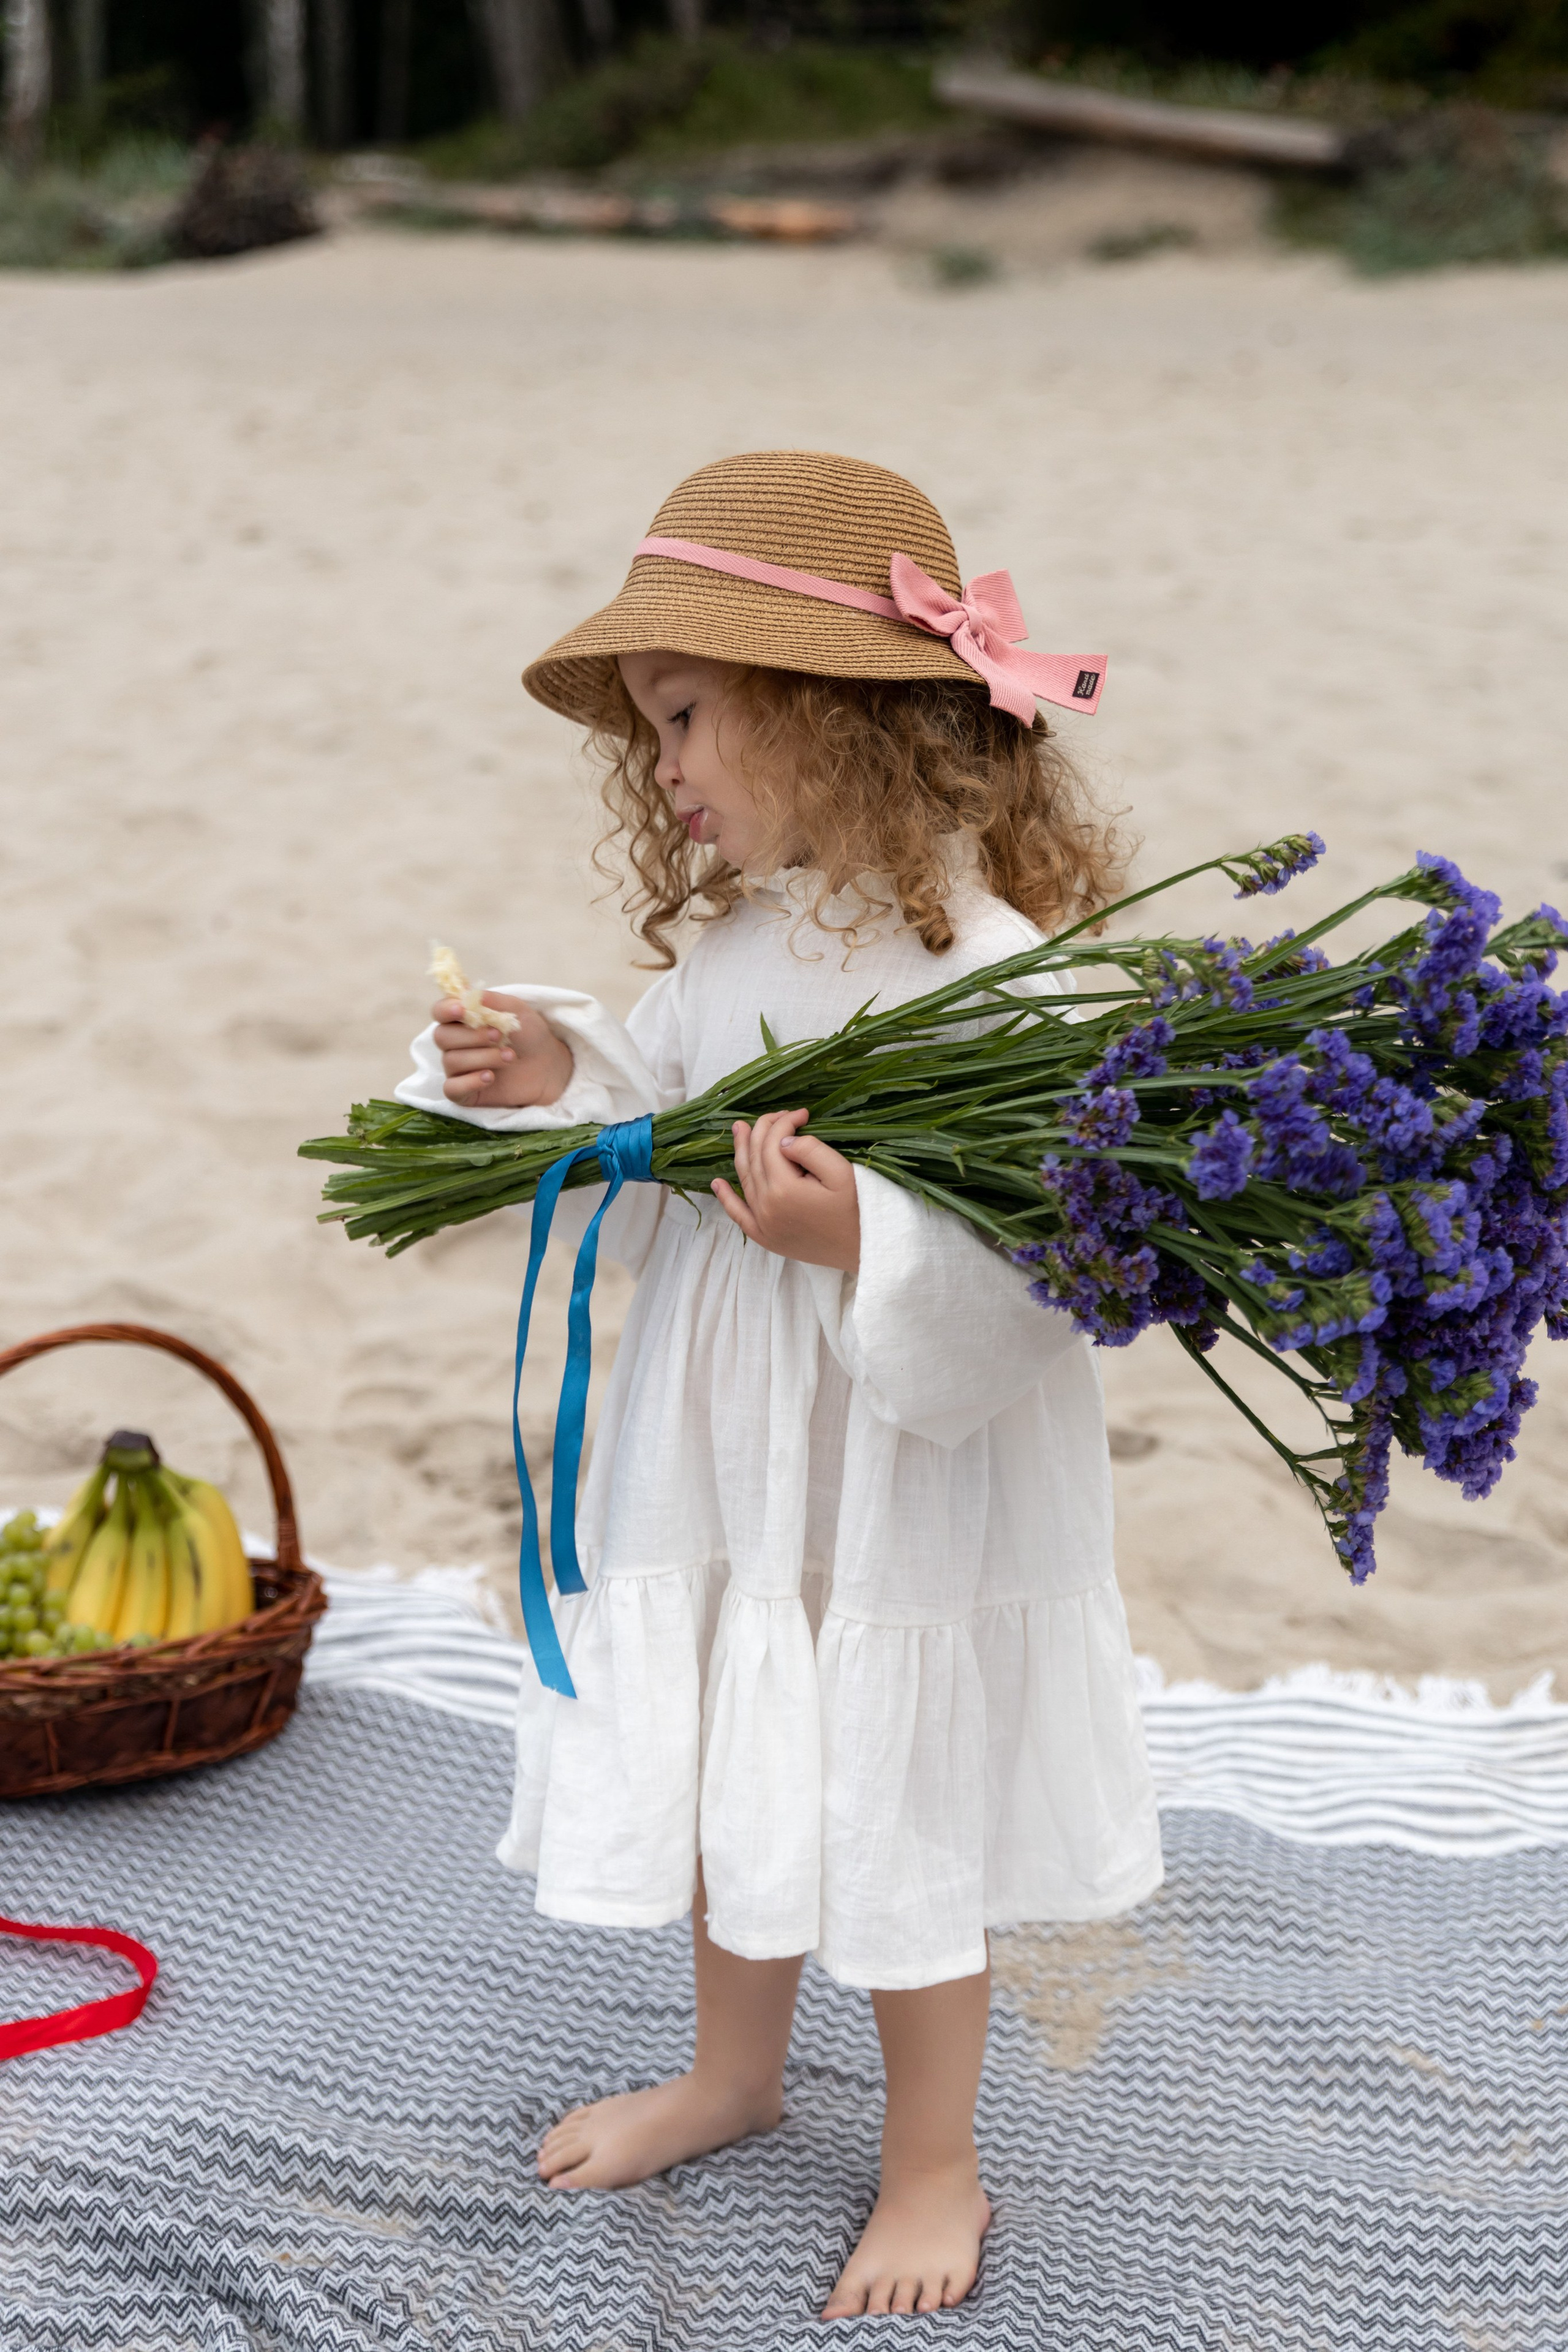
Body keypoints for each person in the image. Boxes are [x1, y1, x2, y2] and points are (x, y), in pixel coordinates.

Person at [396, 450, 1163, 2320]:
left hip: (899, 1454)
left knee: (890, 1776)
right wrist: (546, 1082)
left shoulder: (999, 977)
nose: (661, 771)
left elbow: (1048, 1266)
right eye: (649, 731)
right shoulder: (734, 946)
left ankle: (934, 2161)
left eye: (686, 719)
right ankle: (735, 2076)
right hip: (721, 1447)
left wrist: (861, 1250)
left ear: (831, 716)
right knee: (745, 1730)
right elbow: (654, 1135)